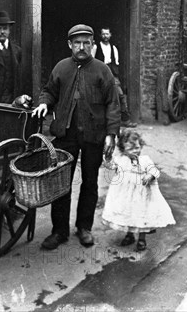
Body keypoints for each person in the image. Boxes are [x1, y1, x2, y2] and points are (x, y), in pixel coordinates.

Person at [32, 24, 121, 250]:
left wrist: (111, 134)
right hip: (66, 134)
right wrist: (43, 103)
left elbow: (113, 103)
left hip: (94, 134)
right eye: (77, 43)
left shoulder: (103, 70)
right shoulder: (61, 67)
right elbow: (49, 91)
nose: (82, 47)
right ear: (69, 45)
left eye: (86, 43)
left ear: (92, 45)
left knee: (90, 182)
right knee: (61, 183)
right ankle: (59, 231)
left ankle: (84, 228)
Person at [102, 129, 176, 251]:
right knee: (129, 214)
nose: (135, 151)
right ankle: (129, 235)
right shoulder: (121, 160)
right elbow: (111, 166)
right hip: (126, 195)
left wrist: (149, 175)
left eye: (137, 147)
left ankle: (142, 239)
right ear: (123, 150)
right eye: (130, 149)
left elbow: (155, 171)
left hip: (141, 195)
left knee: (142, 216)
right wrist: (108, 157)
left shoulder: (145, 160)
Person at [92, 27, 137, 128]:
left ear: (110, 35)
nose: (105, 36)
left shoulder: (114, 48)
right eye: (103, 34)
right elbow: (91, 62)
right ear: (100, 35)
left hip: (111, 74)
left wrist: (115, 77)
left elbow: (116, 64)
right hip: (99, 74)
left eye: (107, 34)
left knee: (120, 95)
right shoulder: (95, 47)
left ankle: (125, 120)